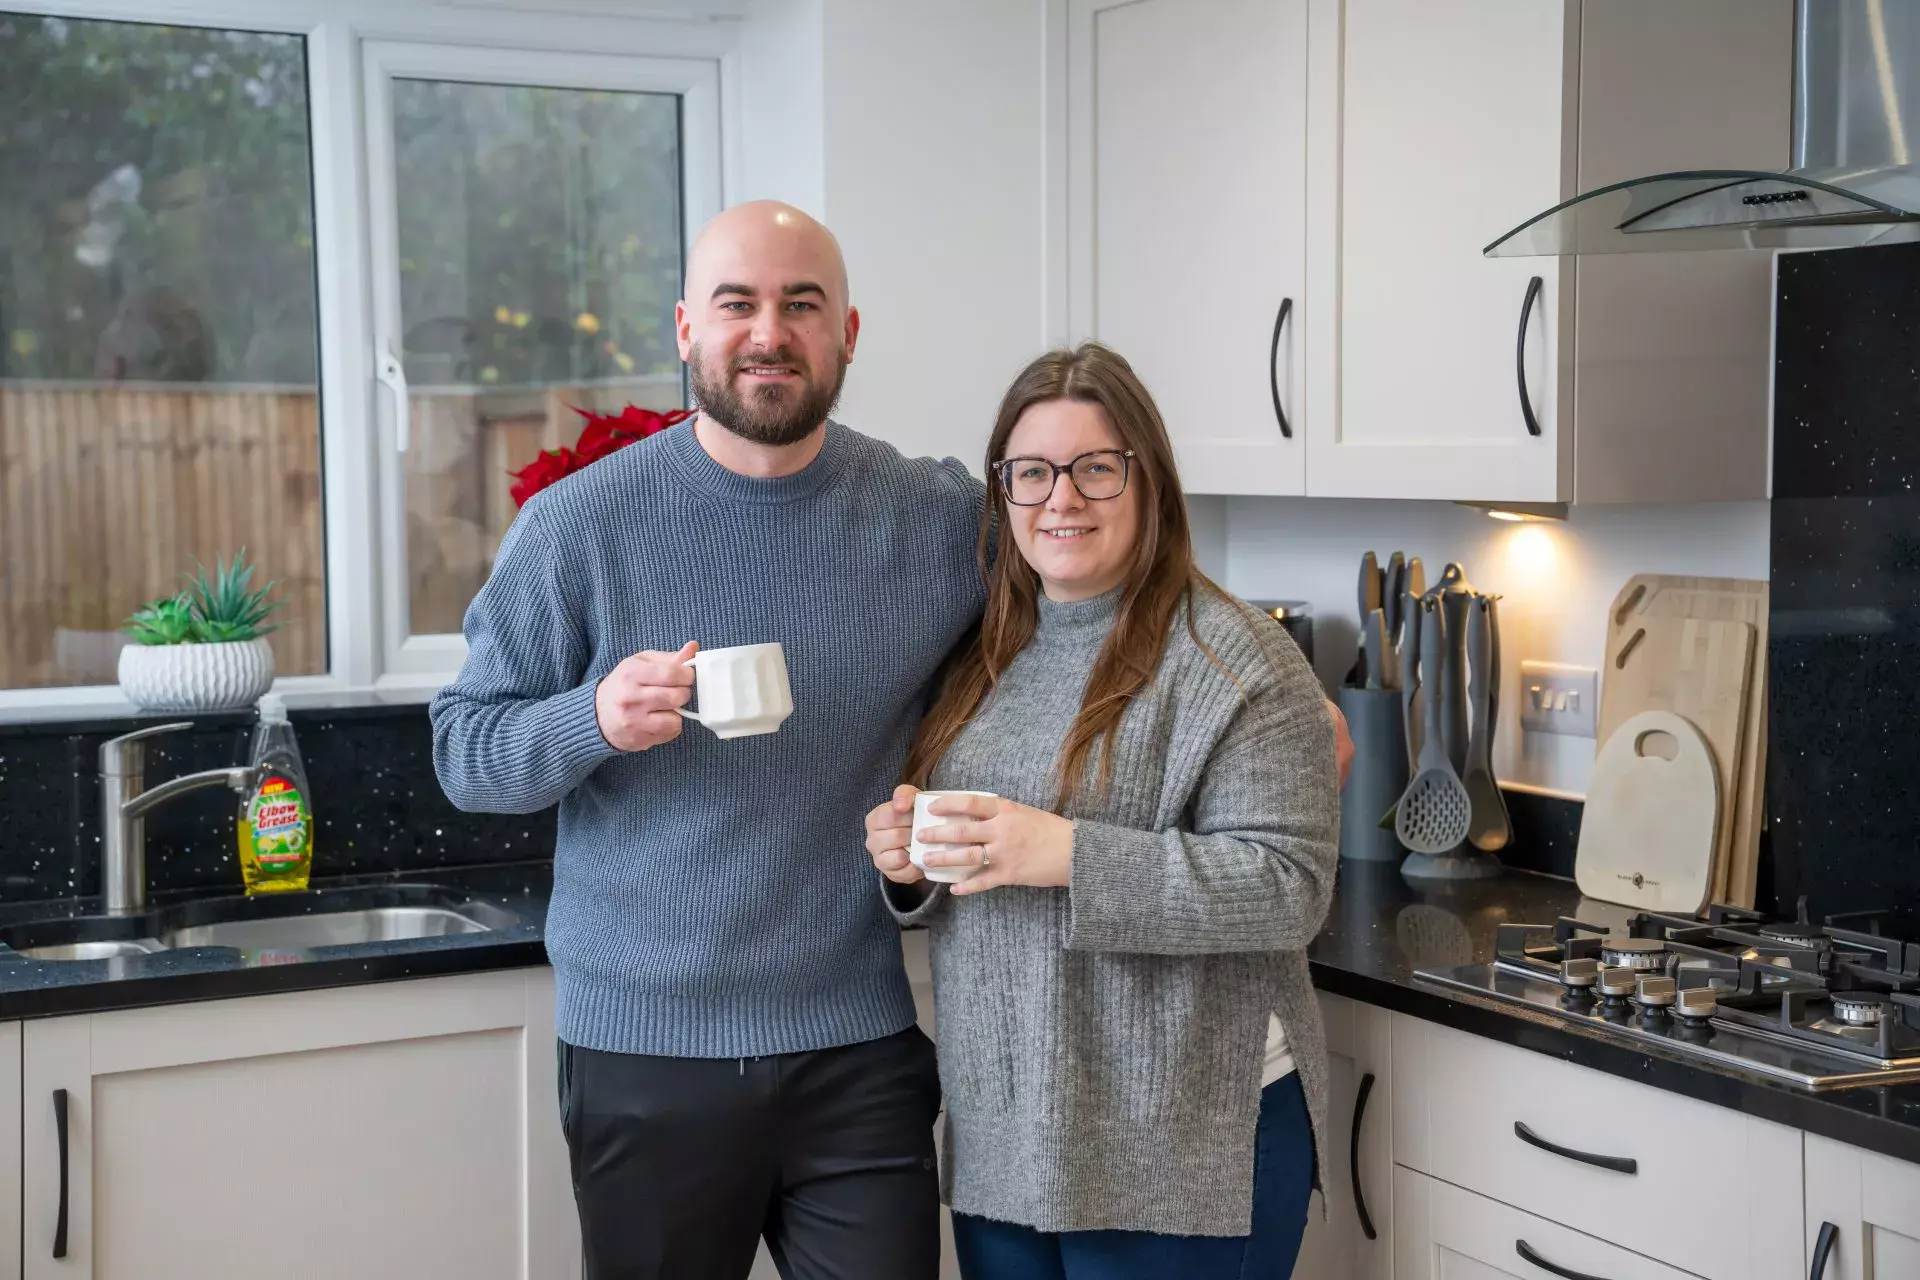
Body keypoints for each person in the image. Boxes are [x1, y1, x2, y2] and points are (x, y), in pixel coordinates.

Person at [433, 200, 1354, 1280]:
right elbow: (464, 750)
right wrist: (587, 717)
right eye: (738, 304)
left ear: (847, 334)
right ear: (688, 327)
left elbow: (1092, 552)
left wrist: (1264, 673)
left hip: (857, 1050)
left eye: (801, 303)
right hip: (649, 1046)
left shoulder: (931, 517)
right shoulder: (580, 524)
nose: (768, 331)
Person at [866, 342, 1340, 1280]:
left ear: (1149, 480)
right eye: (1032, 472)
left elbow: (1290, 889)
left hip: (1180, 1146)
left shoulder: (1237, 659)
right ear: (1003, 491)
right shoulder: (988, 652)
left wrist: (1070, 854)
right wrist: (911, 866)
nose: (1062, 499)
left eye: (1096, 468)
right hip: (1010, 1137)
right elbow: (985, 858)